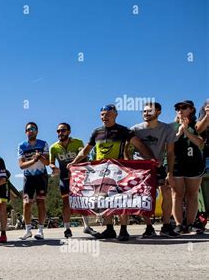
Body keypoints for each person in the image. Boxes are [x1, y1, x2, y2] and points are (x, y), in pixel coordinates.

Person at [67, 104, 156, 241]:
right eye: (102, 114)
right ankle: (109, 229)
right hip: (100, 172)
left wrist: (151, 159)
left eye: (107, 114)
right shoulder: (97, 132)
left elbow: (139, 145)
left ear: (115, 114)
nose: (104, 117)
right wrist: (74, 163)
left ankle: (124, 230)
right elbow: (85, 151)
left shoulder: (123, 131)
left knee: (120, 200)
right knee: (104, 199)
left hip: (118, 171)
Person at [130, 102, 179, 237]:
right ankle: (149, 227)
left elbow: (170, 153)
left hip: (158, 165)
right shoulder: (134, 130)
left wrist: (170, 172)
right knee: (144, 196)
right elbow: (127, 149)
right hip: (140, 167)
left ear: (158, 112)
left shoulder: (167, 129)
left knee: (167, 192)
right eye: (144, 111)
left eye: (149, 111)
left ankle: (167, 225)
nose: (146, 114)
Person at [49, 123, 97, 238]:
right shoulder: (53, 147)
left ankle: (86, 226)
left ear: (69, 131)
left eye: (63, 130)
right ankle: (67, 229)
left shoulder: (78, 142)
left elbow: (84, 158)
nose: (60, 133)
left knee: (82, 201)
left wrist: (76, 169)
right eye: (58, 131)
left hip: (78, 176)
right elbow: (51, 162)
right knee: (66, 203)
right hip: (64, 178)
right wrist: (53, 167)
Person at [170, 100, 205, 234]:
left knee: (192, 194)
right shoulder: (171, 127)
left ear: (191, 110)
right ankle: (179, 225)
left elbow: (200, 143)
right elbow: (168, 145)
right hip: (177, 165)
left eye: (184, 107)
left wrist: (186, 130)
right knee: (177, 194)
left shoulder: (197, 126)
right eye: (177, 108)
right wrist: (179, 131)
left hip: (194, 165)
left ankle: (190, 224)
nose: (180, 110)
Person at [18, 122, 50, 240]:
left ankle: (40, 231)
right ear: (25, 132)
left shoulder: (43, 144)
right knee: (26, 204)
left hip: (41, 177)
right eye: (28, 129)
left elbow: (47, 162)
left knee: (41, 202)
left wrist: (40, 157)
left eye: (33, 129)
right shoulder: (22, 145)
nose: (30, 131)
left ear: (37, 131)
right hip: (28, 178)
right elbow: (21, 165)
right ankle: (28, 230)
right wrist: (34, 159)